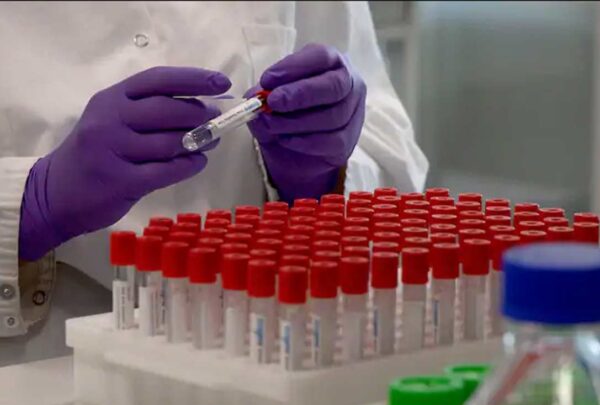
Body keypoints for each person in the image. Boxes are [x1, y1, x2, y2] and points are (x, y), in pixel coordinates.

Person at [0, 1, 428, 365]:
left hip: (264, 358)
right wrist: (27, 207)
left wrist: (324, 179)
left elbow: (393, 150)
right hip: (38, 374)